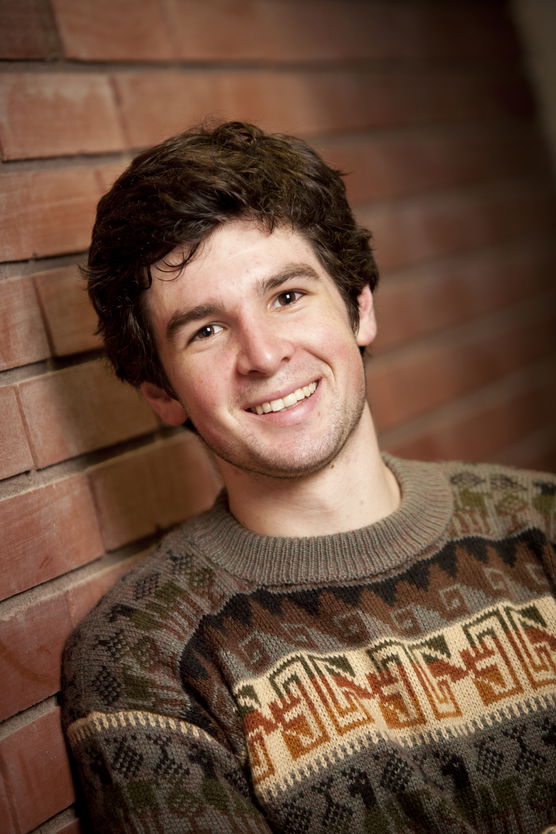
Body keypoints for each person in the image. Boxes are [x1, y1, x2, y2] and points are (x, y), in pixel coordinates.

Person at [62, 121, 556, 834]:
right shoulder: (146, 658)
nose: (262, 355)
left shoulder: (540, 527)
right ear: (162, 393)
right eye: (205, 330)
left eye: (287, 296)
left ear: (359, 307)